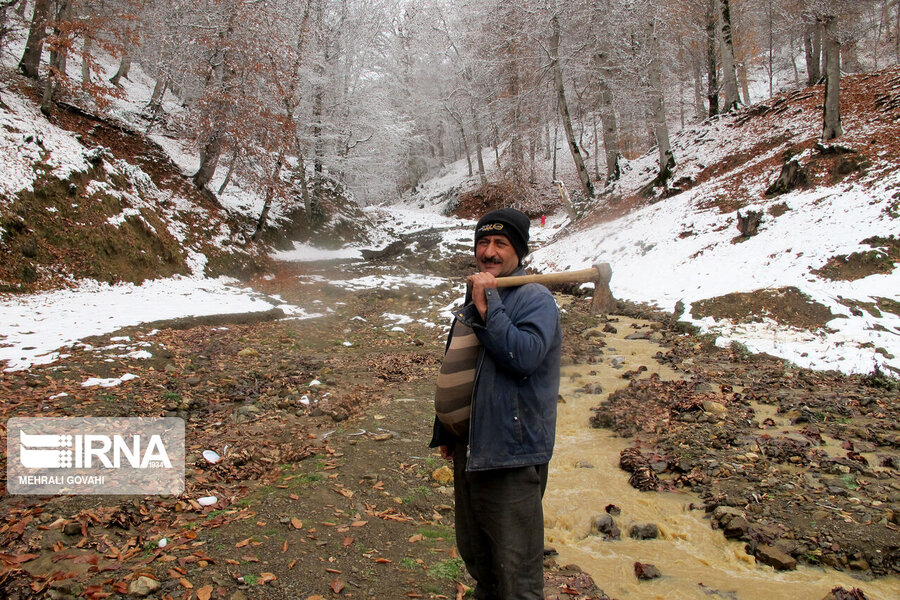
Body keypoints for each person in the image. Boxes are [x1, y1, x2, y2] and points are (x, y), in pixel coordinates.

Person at [430, 207, 562, 600]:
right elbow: (464, 364)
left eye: (500, 244)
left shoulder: (534, 298)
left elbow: (523, 358)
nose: (489, 252)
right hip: (474, 447)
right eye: (483, 243)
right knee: (480, 558)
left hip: (511, 452)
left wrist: (491, 305)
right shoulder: (480, 295)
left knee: (516, 573)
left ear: (518, 251)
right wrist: (449, 431)